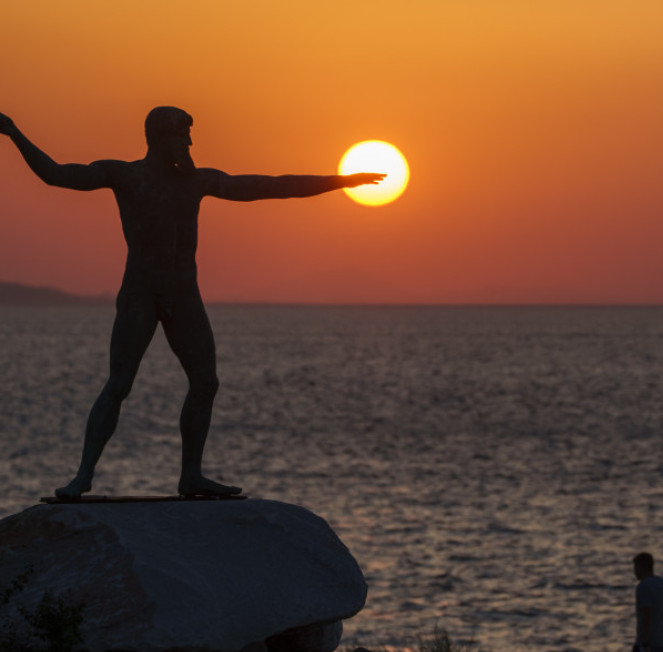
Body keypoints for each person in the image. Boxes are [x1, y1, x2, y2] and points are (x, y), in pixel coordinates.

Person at [0, 107, 385, 499]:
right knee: (119, 384)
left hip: (183, 294)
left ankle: (191, 475)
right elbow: (57, 175)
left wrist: (343, 180)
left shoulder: (196, 182)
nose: (190, 143)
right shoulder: (125, 175)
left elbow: (271, 185)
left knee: (205, 381)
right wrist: (15, 134)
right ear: (162, 137)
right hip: (141, 293)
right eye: (185, 134)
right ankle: (83, 476)